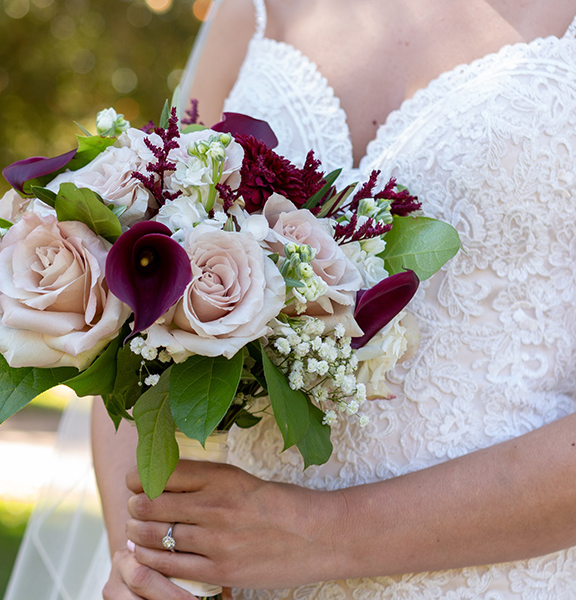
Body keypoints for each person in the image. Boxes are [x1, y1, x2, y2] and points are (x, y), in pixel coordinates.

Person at [95, 0, 576, 598]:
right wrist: (143, 568)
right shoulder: (251, 11)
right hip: (239, 581)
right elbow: (133, 309)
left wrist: (316, 532)